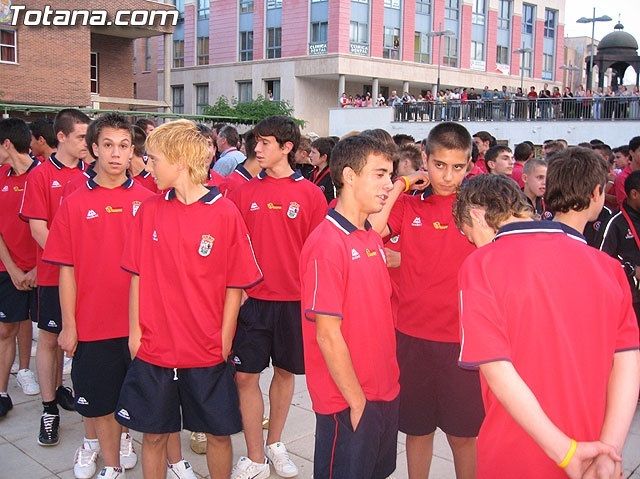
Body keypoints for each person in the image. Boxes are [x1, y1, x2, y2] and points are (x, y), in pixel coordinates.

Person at [454, 172, 639, 479]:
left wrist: (566, 453)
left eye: (470, 235)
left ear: (476, 214)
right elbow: (628, 361)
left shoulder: (481, 264)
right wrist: (609, 450)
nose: (474, 245)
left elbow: (496, 368)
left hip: (518, 449)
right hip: (596, 449)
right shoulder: (607, 266)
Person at [116, 119, 263, 479]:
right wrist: (135, 331)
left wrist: (225, 336)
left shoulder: (224, 211)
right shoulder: (149, 209)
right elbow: (137, 274)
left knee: (218, 433)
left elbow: (235, 285)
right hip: (155, 347)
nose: (147, 166)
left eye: (153, 158)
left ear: (179, 160)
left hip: (206, 348)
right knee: (153, 436)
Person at [369, 122, 484, 479]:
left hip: (464, 342)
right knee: (417, 432)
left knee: (463, 436)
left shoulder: (478, 209)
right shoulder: (408, 205)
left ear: (469, 166)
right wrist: (403, 183)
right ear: (425, 159)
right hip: (412, 337)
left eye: (458, 167)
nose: (447, 176)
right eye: (439, 165)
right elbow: (372, 229)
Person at [43, 113, 153, 479]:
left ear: (132, 150)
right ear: (93, 150)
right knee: (99, 404)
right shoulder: (74, 204)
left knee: (132, 397)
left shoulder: (149, 202)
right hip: (93, 326)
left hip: (140, 325)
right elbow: (66, 271)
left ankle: (122, 444)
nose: (116, 154)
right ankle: (111, 465)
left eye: (124, 146)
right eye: (107, 145)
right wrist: (69, 325)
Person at [228, 116, 327, 479]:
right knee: (245, 377)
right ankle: (254, 455)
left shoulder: (311, 194)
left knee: (285, 373)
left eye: (266, 143)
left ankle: (275, 443)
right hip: (252, 301)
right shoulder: (243, 192)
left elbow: (319, 253)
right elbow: (232, 248)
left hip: (294, 303)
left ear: (287, 148)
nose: (257, 148)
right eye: (256, 142)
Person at [300, 134, 400, 479]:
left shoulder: (370, 235)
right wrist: (357, 402)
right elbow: (327, 336)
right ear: (349, 176)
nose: (388, 184)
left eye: (391, 175)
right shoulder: (326, 244)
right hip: (348, 401)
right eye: (380, 174)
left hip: (384, 391)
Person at [19, 109, 90, 447]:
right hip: (53, 276)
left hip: (91, 280)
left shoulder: (93, 175)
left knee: (85, 341)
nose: (86, 142)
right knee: (49, 339)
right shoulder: (41, 176)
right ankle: (49, 410)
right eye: (80, 136)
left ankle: (83, 398)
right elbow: (37, 229)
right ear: (61, 137)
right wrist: (73, 261)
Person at [0, 118, 40, 417]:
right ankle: (1, 391)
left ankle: (25, 369)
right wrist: (12, 269)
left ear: (7, 144)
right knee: (6, 328)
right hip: (7, 268)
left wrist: (38, 268)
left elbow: (53, 228)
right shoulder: (1, 175)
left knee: (30, 323)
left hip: (41, 269)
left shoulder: (41, 176)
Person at [600, 169, 640, 324]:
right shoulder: (615, 222)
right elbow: (602, 261)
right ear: (634, 194)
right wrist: (631, 269)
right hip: (630, 298)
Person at [310, 137, 336, 204]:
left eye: (313, 152)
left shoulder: (332, 177)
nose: (310, 155)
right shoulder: (313, 172)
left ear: (324, 157)